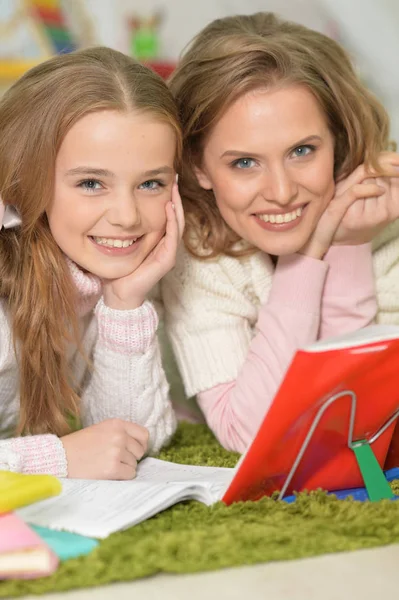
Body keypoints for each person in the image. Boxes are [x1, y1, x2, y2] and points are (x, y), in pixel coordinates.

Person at [160, 12, 399, 453]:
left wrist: (350, 243)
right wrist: (308, 258)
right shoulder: (193, 253)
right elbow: (249, 435)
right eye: (244, 162)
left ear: (339, 144)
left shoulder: (387, 227)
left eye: (302, 151)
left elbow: (356, 421)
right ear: (197, 165)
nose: (282, 192)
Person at [0, 47, 184, 479]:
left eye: (151, 183)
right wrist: (56, 460)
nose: (127, 215)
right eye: (90, 183)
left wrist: (125, 304)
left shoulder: (106, 275)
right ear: (24, 178)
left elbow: (132, 440)